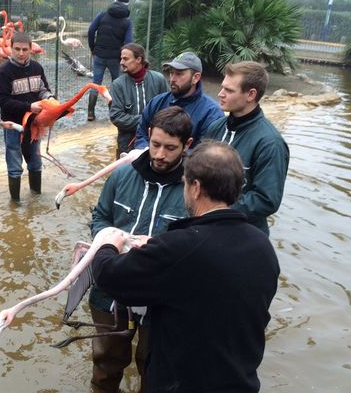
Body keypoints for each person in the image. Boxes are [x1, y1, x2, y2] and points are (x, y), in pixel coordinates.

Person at [91, 141, 280, 393]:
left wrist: (109, 246)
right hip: (239, 381)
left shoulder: (179, 247)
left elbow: (109, 276)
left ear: (196, 187)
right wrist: (158, 246)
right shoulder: (263, 248)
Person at [88, 106, 192, 393]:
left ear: (187, 146)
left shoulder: (194, 189)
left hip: (162, 298)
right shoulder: (122, 176)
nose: (159, 154)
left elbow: (201, 239)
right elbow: (100, 217)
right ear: (148, 135)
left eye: (170, 148)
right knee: (106, 359)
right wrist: (109, 241)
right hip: (110, 290)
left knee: (155, 364)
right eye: (155, 144)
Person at [204, 61, 289, 235]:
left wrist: (216, 211)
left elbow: (266, 200)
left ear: (251, 94)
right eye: (222, 88)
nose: (220, 94)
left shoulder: (270, 143)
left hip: (243, 235)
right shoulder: (216, 128)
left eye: (229, 90)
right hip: (208, 226)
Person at [0, 31, 54, 202]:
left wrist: (49, 99)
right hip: (13, 125)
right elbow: (3, 101)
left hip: (34, 124)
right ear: (11, 48)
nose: (21, 53)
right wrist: (29, 107)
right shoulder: (4, 71)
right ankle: (16, 204)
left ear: (30, 49)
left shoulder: (37, 68)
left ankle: (36, 199)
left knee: (35, 161)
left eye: (25, 50)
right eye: (17, 49)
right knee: (14, 166)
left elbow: (43, 89)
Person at [134, 52, 222, 149]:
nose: (172, 79)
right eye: (171, 73)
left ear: (195, 78)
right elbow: (141, 134)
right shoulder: (157, 102)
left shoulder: (211, 112)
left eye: (179, 74)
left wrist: (173, 158)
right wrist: (147, 152)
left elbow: (205, 152)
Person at [109, 43, 168, 158]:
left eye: (125, 59)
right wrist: (147, 121)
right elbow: (116, 116)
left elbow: (169, 108)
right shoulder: (118, 84)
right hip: (127, 143)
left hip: (158, 141)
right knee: (125, 174)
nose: (121, 62)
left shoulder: (158, 79)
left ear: (138, 59)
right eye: (121, 59)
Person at [87, 0, 133, 122]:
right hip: (115, 58)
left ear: (114, 1)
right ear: (126, 5)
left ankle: (90, 113)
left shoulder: (102, 14)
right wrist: (123, 57)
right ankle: (113, 113)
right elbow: (129, 42)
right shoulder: (127, 21)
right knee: (116, 84)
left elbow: (91, 30)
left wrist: (93, 48)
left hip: (99, 55)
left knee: (96, 83)